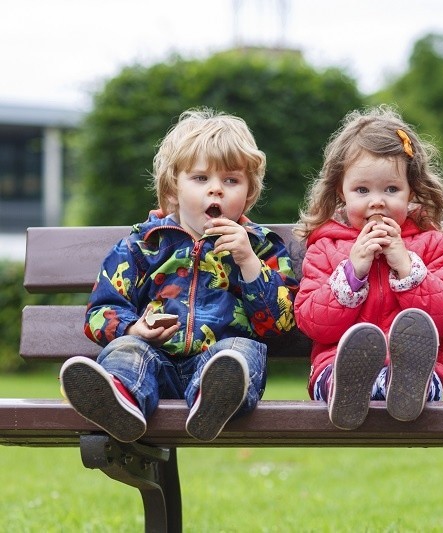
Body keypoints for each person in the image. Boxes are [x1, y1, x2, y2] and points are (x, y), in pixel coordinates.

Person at [60, 107, 298, 442]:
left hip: (218, 366)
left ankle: (212, 402)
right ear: (173, 190)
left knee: (238, 352)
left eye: (231, 180)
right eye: (201, 178)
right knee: (128, 350)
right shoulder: (143, 246)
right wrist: (134, 328)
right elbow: (100, 313)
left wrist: (248, 263)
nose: (216, 190)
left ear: (248, 193)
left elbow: (282, 324)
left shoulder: (261, 248)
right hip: (155, 368)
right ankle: (118, 403)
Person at [294, 105, 443, 430]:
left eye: (391, 189)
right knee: (338, 375)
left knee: (415, 379)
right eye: (362, 190)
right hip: (335, 368)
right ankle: (351, 390)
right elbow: (311, 323)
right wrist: (352, 272)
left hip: (419, 373)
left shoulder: (434, 246)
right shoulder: (325, 249)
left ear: (412, 191)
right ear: (341, 193)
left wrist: (407, 268)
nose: (377, 201)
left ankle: (401, 387)